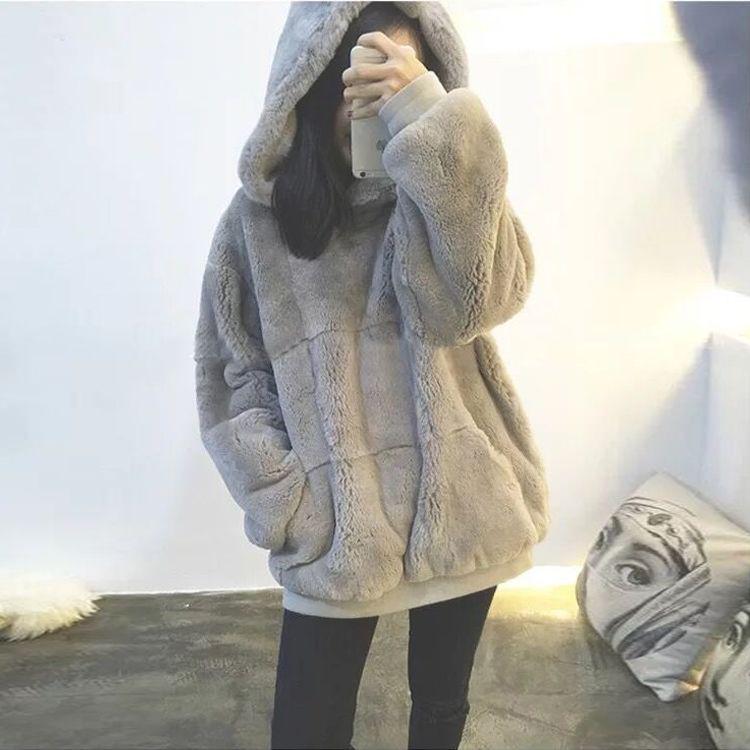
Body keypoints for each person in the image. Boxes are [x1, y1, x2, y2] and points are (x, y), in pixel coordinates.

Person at [193, 2, 551, 748]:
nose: (380, 90)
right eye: (366, 69)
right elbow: (234, 374)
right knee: (307, 730)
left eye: (405, 68)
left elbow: (475, 304)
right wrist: (291, 503)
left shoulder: (448, 194)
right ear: (314, 80)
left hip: (465, 507)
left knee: (442, 710)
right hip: (338, 532)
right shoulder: (257, 219)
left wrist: (430, 124)